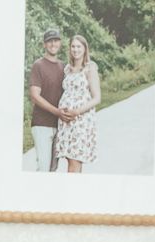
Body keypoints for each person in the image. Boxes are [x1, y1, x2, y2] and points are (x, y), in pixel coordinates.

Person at [53, 34, 100, 173]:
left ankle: (71, 191)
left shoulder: (90, 68)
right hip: (66, 121)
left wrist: (76, 111)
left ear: (85, 49)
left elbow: (97, 98)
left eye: (79, 46)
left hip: (81, 120)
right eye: (73, 46)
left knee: (74, 160)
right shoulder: (67, 69)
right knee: (71, 159)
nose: (75, 49)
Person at [27, 29, 66, 172]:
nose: (53, 44)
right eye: (49, 41)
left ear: (60, 43)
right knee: (43, 167)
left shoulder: (63, 67)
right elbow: (35, 96)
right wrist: (57, 111)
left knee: (53, 168)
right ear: (44, 45)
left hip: (59, 124)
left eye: (56, 40)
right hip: (42, 124)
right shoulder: (39, 65)